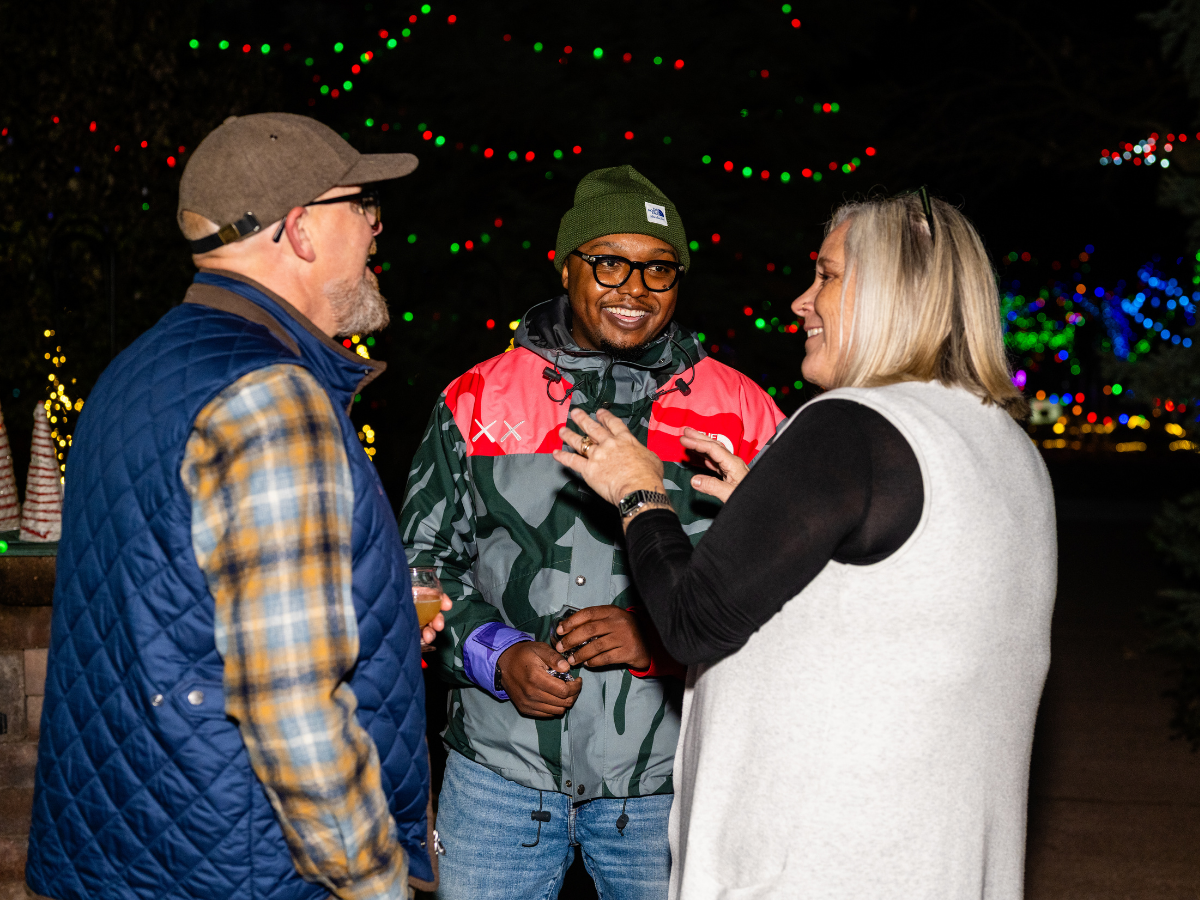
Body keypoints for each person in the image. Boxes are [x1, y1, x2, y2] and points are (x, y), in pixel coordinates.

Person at [553, 193, 1057, 899]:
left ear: (891, 293)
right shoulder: (999, 442)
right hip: (937, 861)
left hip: (822, 860)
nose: (801, 301)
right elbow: (902, 594)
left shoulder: (850, 427)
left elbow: (689, 621)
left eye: (827, 276)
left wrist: (640, 494)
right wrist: (768, 509)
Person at [25, 113, 448, 900]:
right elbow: (292, 707)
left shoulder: (136, 369)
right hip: (246, 866)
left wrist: (375, 602)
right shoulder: (271, 399)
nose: (377, 233)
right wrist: (376, 879)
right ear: (301, 229)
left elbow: (169, 605)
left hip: (125, 856)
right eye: (365, 208)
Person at [399, 165, 783, 899]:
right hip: (498, 776)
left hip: (666, 783)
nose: (634, 290)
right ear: (566, 264)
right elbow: (419, 572)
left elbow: (783, 594)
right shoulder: (479, 399)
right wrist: (495, 654)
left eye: (659, 269)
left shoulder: (739, 411)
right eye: (610, 263)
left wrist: (669, 637)